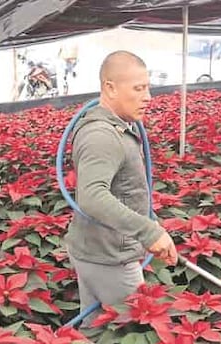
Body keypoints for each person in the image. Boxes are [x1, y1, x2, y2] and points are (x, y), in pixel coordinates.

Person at [66, 50, 178, 319]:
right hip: (110, 257)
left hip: (98, 250)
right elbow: (92, 197)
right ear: (110, 88)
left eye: (148, 88)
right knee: (142, 329)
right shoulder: (101, 135)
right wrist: (149, 232)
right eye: (138, 88)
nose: (148, 97)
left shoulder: (115, 126)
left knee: (94, 332)